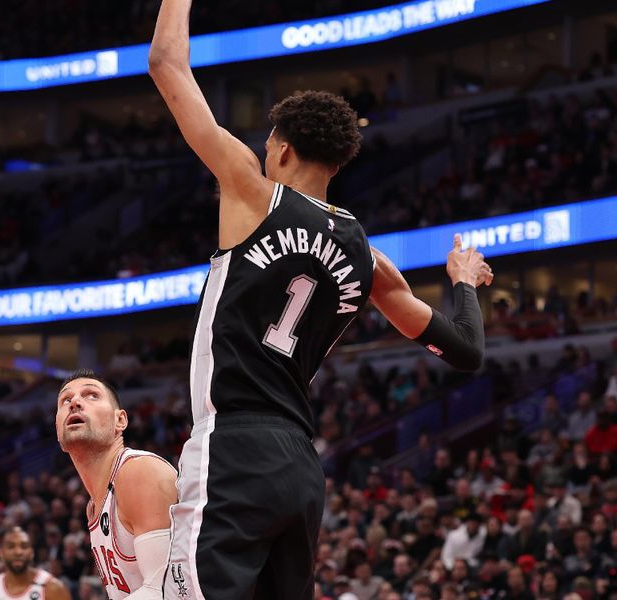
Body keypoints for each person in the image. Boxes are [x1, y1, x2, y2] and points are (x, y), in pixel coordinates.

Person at [148, 2, 494, 598]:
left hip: (233, 443)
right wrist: (462, 281)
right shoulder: (368, 258)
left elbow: (166, 64)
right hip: (300, 468)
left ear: (281, 150)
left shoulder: (253, 192)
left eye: (267, 148)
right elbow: (465, 350)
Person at [55, 370, 177, 600]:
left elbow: (163, 590)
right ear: (58, 431)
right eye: (66, 400)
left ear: (120, 420)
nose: (75, 403)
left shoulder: (138, 471)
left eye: (91, 395)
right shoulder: (93, 506)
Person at [0, 527, 71, 600]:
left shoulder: (53, 589)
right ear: (1, 553)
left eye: (24, 546)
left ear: (32, 552)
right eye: (11, 547)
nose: (18, 552)